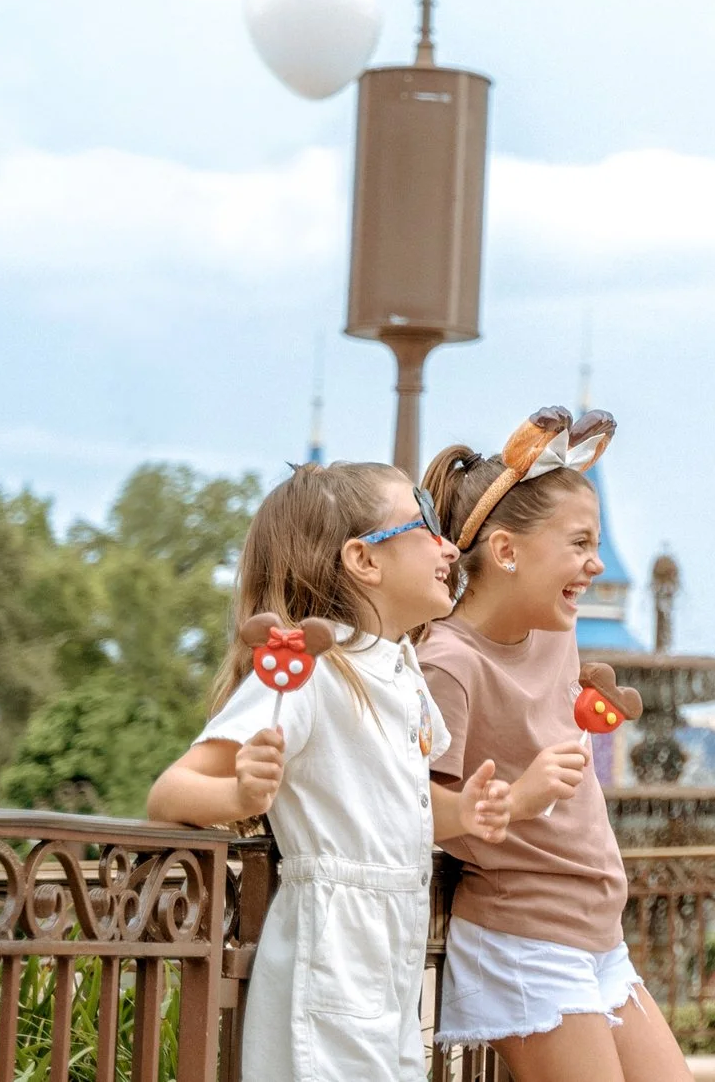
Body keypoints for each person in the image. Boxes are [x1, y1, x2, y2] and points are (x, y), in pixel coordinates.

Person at [148, 462, 513, 1082]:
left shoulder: (400, 670)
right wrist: (239, 790)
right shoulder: (312, 669)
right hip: (333, 943)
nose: (448, 545)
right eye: (424, 524)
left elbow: (394, 808)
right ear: (364, 561)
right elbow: (170, 792)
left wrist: (465, 811)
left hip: (391, 945)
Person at [419, 407, 693, 1082]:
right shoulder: (449, 662)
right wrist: (519, 795)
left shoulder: (553, 630)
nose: (595, 564)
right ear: (507, 551)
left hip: (596, 936)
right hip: (525, 938)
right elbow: (406, 802)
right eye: (578, 543)